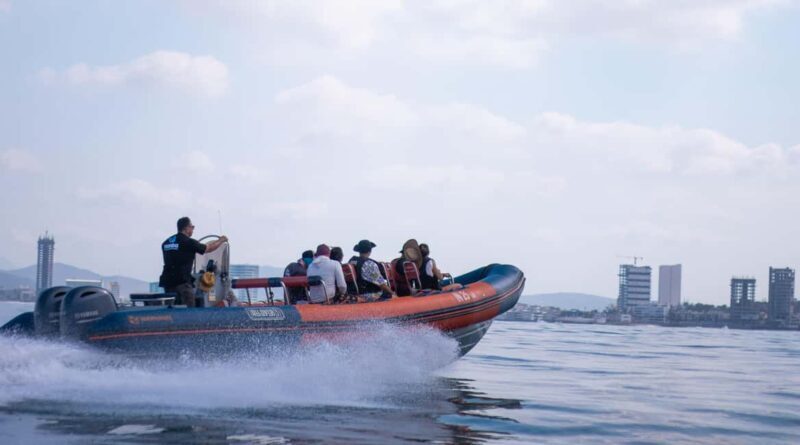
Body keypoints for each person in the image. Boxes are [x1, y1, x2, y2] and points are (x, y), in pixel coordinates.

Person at [159, 216, 228, 307]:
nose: (193, 229)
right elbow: (209, 248)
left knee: (172, 308)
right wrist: (221, 240)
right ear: (186, 228)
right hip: (182, 282)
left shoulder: (166, 243)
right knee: (189, 309)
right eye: (192, 227)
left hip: (168, 283)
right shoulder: (188, 242)